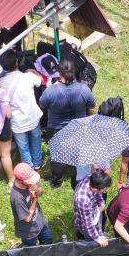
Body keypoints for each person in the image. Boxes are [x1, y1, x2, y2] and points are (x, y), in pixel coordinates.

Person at [39, 60, 96, 188]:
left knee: (58, 156)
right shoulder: (84, 89)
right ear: (74, 72)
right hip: (78, 128)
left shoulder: (51, 91)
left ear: (60, 73)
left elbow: (42, 104)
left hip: (56, 129)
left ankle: (57, 181)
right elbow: (92, 105)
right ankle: (77, 179)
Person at [0, 51, 44, 170]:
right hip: (32, 116)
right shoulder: (27, 77)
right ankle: (37, 163)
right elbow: (40, 81)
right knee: (36, 139)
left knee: (23, 146)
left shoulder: (1, 82)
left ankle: (28, 167)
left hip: (17, 121)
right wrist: (32, 71)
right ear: (17, 62)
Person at [10, 163, 53, 246]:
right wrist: (35, 198)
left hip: (41, 221)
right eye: (29, 180)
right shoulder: (17, 198)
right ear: (19, 180)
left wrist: (38, 191)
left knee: (48, 242)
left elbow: (40, 191)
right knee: (30, 251)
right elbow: (27, 218)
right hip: (29, 231)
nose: (32, 182)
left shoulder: (28, 183)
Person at [73, 169, 112, 246]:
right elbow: (88, 224)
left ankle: (99, 233)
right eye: (105, 189)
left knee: (98, 229)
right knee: (92, 242)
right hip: (85, 224)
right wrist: (98, 238)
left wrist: (101, 204)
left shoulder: (91, 178)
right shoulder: (83, 200)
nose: (106, 190)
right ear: (97, 188)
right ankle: (86, 242)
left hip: (94, 212)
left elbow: (98, 195)